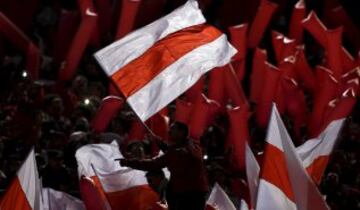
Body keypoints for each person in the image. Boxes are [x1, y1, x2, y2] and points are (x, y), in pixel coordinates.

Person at [120, 121, 209, 210]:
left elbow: (153, 164)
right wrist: (165, 147)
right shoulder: (194, 146)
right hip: (196, 194)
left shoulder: (177, 151)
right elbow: (182, 152)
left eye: (173, 129)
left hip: (185, 196)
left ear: (181, 132)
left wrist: (128, 162)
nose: (169, 132)